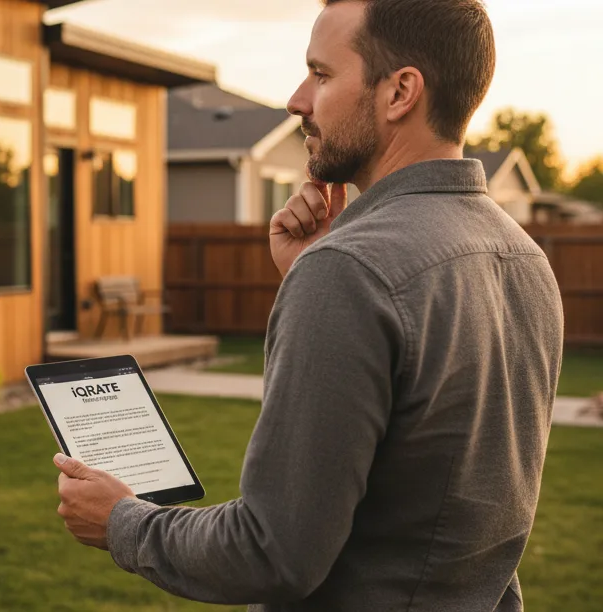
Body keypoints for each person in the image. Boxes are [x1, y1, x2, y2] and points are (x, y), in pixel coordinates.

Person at [51, 0, 565, 610]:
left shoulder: (351, 272)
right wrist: (311, 276)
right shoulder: (524, 257)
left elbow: (270, 552)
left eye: (321, 75)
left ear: (400, 92)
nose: (297, 100)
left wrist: (122, 522)